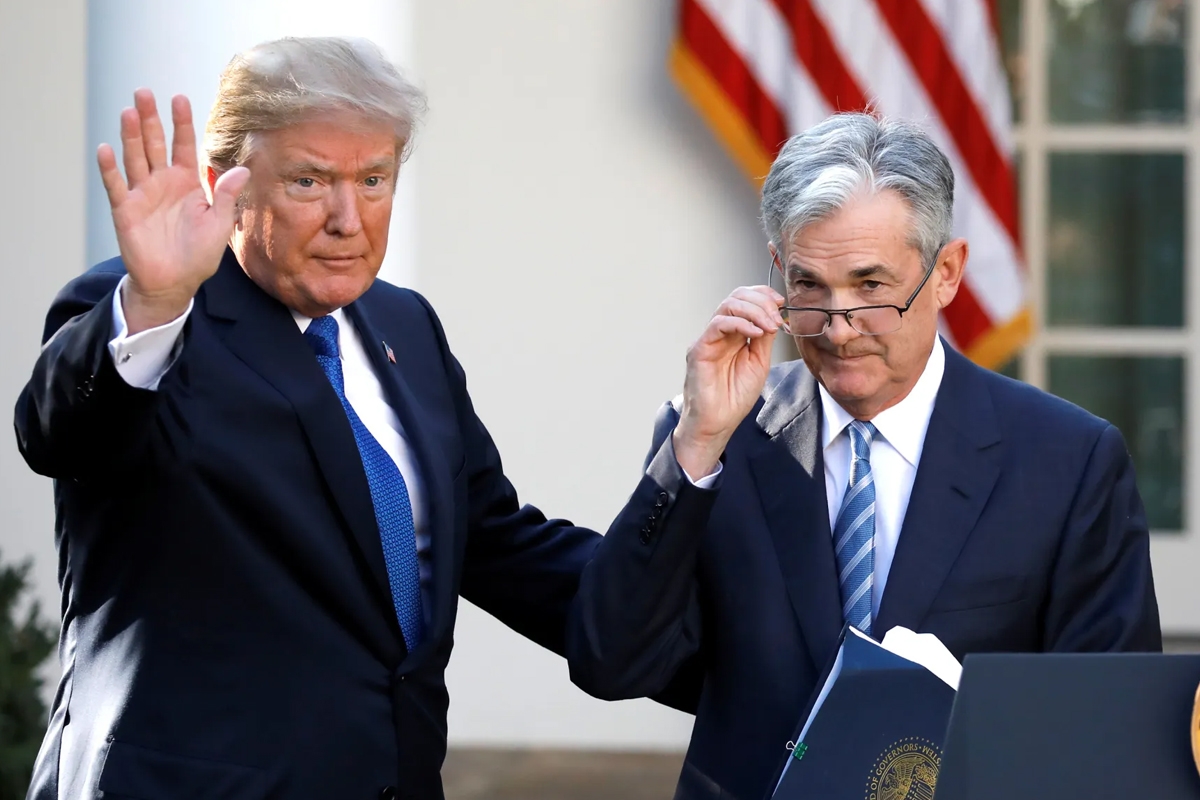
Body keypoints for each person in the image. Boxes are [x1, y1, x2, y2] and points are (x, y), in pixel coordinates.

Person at [14, 36, 700, 800]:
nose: (348, 218)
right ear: (225, 185)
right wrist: (153, 302)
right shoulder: (149, 315)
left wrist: (751, 671)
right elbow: (63, 435)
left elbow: (499, 546)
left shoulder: (407, 327)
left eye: (373, 179)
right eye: (309, 181)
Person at [566, 112, 1162, 800]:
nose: (839, 330)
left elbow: (1110, 729)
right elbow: (610, 662)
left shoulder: (1068, 461)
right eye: (809, 287)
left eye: (871, 287)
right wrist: (696, 445)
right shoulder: (714, 438)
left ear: (946, 273)